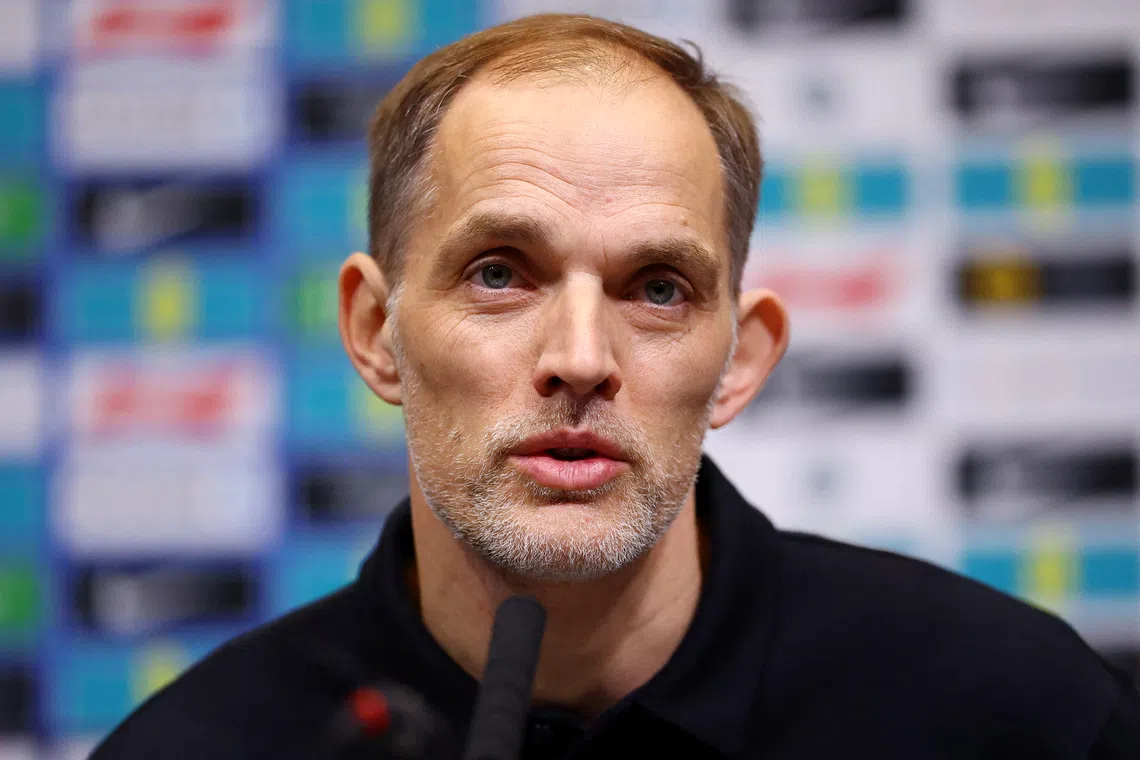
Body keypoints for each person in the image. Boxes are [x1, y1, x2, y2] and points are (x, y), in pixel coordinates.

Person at [92, 13, 1140, 760]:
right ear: (375, 332)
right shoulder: (198, 744)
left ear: (739, 359)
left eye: (658, 287)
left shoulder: (1019, 714)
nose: (583, 356)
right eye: (500, 272)